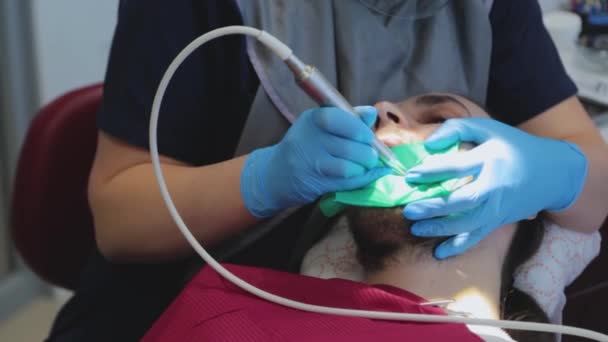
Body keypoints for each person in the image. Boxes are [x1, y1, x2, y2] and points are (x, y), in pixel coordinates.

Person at [46, 1, 608, 341]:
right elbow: (119, 222)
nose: (385, 110)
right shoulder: (212, 316)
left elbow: (592, 180)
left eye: (440, 118)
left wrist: (553, 170)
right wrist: (264, 179)